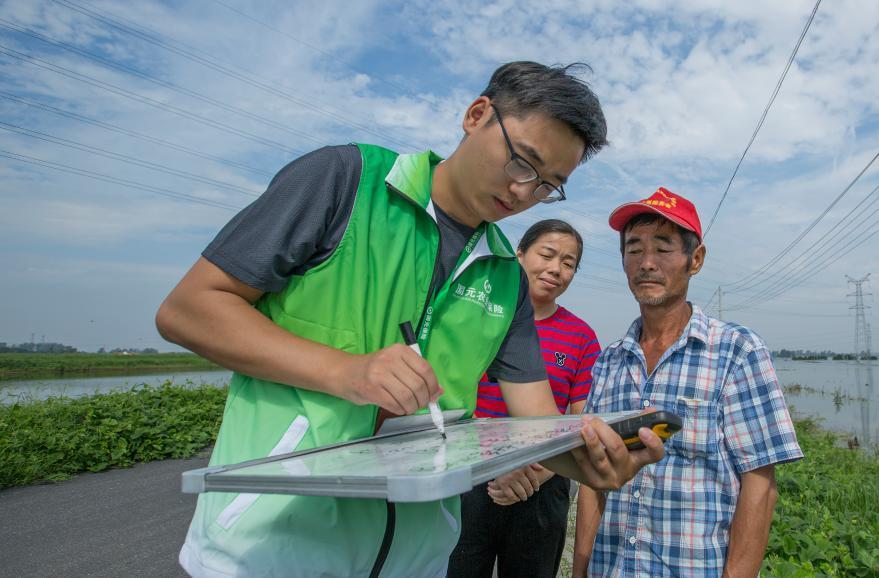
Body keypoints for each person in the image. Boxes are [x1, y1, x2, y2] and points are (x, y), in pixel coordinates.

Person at [155, 62, 665, 578]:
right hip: (271, 549)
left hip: (415, 560)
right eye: (521, 163)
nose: (522, 192)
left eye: (547, 185)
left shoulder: (505, 276)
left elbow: (534, 420)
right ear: (477, 114)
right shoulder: (345, 182)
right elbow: (189, 310)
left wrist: (591, 463)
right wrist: (345, 372)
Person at [572, 187, 803, 577]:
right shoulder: (610, 361)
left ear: (694, 260)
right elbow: (593, 483)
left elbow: (759, 485)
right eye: (633, 249)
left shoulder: (736, 351)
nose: (647, 263)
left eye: (663, 249)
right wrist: (579, 571)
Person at [448, 218, 600, 577]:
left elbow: (581, 421)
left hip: (543, 482)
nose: (556, 269)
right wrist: (491, 466)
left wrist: (537, 471)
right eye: (547, 254)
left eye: (568, 263)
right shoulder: (477, 317)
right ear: (519, 255)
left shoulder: (581, 337)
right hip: (468, 477)